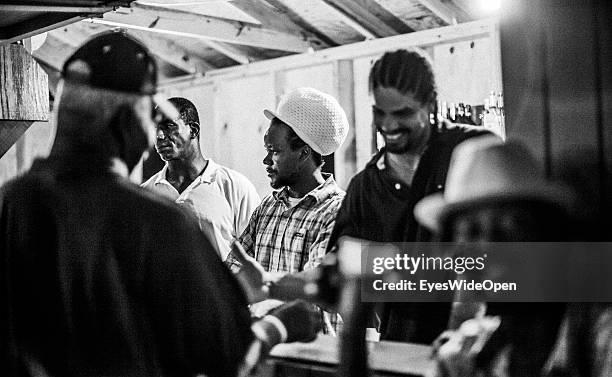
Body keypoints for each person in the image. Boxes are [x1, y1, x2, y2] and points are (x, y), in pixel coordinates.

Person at [0, 32, 318, 377]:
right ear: (128, 125)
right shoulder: (156, 220)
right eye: (152, 122)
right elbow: (236, 366)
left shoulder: (14, 202)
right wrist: (285, 322)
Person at [335, 137, 572, 377]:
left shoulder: (595, 339)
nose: (488, 248)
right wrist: (352, 332)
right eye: (470, 233)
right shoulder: (465, 357)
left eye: (509, 229)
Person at [326, 49, 497, 343]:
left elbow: (508, 262)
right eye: (380, 112)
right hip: (402, 356)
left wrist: (378, 266)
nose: (388, 125)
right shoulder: (364, 187)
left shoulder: (474, 152)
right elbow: (341, 278)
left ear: (430, 103)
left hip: (477, 356)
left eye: (403, 113)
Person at [225, 87, 348, 331]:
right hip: (266, 348)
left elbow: (315, 294)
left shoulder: (335, 212)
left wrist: (264, 290)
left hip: (311, 359)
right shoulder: (268, 208)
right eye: (266, 149)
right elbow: (233, 272)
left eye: (275, 151)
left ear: (303, 153)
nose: (266, 161)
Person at [141, 97, 259, 259]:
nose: (160, 136)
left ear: (193, 130)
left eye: (169, 126)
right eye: (155, 128)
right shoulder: (146, 193)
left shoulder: (235, 187)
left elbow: (257, 255)